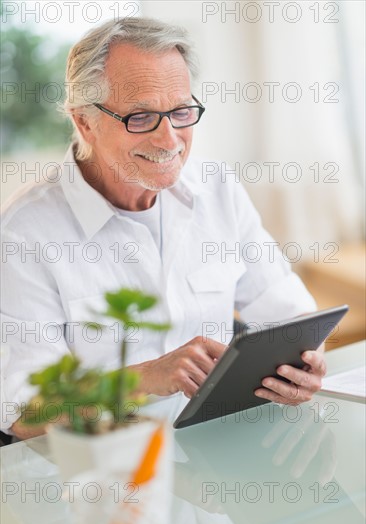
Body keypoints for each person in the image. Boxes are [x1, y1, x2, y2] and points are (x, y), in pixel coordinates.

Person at [1, 17, 325, 440]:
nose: (169, 139)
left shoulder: (217, 189)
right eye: (140, 117)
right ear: (84, 122)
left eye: (180, 111)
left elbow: (290, 315)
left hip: (216, 462)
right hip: (98, 481)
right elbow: (25, 412)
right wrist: (146, 378)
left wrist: (305, 361)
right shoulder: (23, 236)